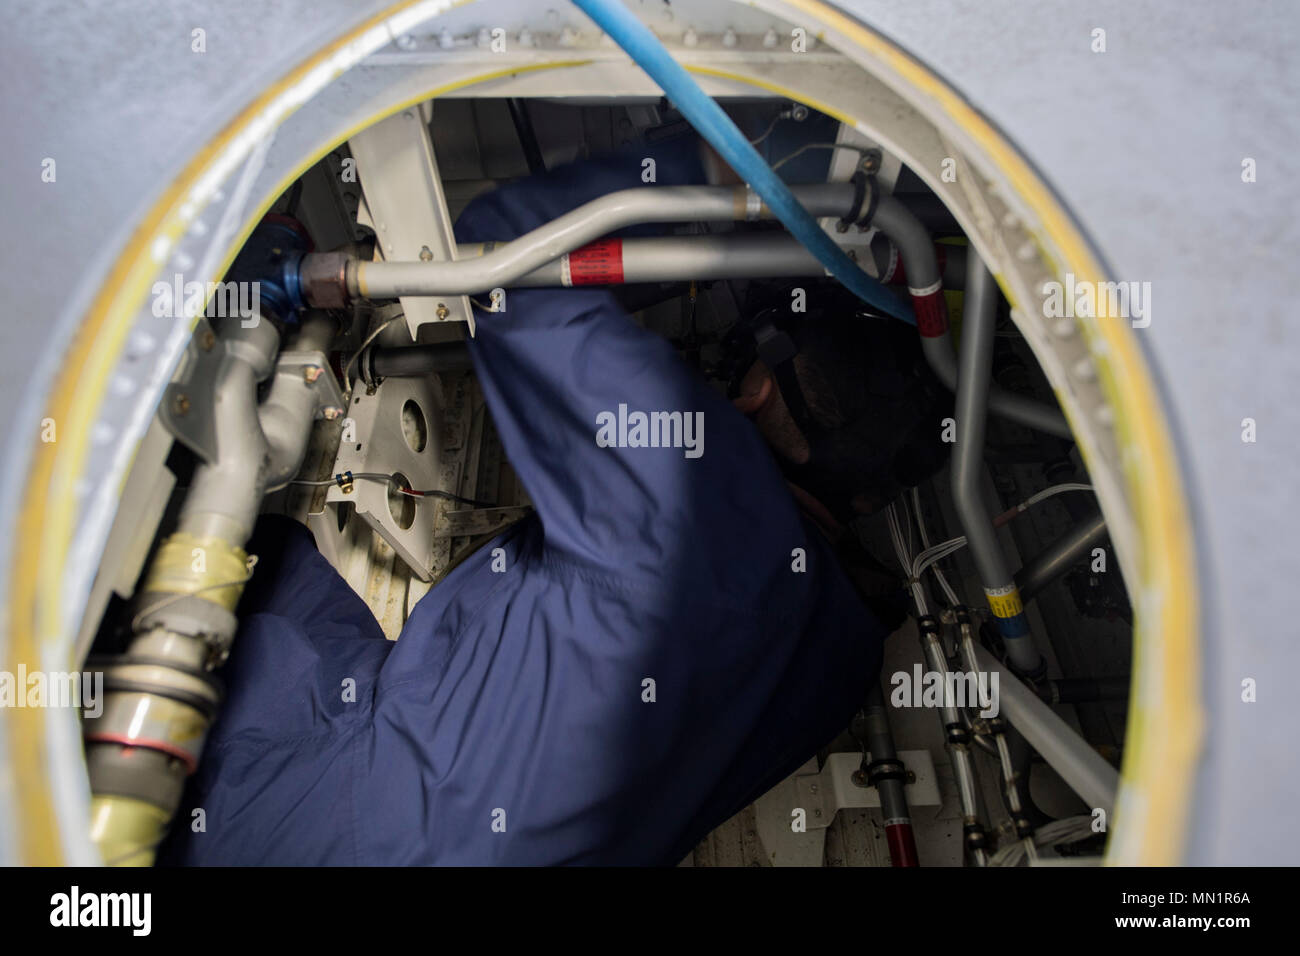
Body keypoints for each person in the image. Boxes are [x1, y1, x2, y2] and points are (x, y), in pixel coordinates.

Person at [162, 137, 944, 866]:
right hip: (418, 775)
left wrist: (726, 154)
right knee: (277, 561)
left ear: (761, 384)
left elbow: (505, 250)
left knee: (208, 575)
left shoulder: (701, 488)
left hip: (330, 831)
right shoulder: (844, 664)